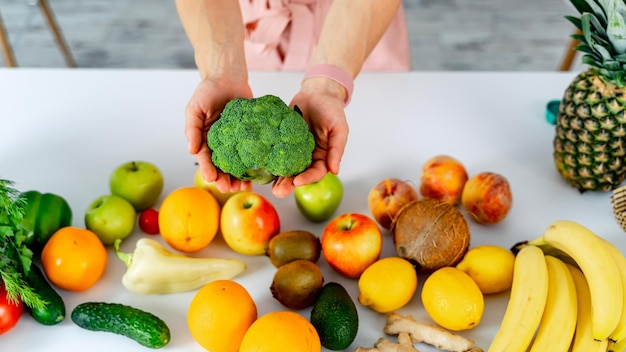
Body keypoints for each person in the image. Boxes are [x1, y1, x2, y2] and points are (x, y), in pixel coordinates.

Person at [175, 0, 410, 198]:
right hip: (236, 27)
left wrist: (329, 85)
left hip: (356, 27)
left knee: (382, 141)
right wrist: (221, 70)